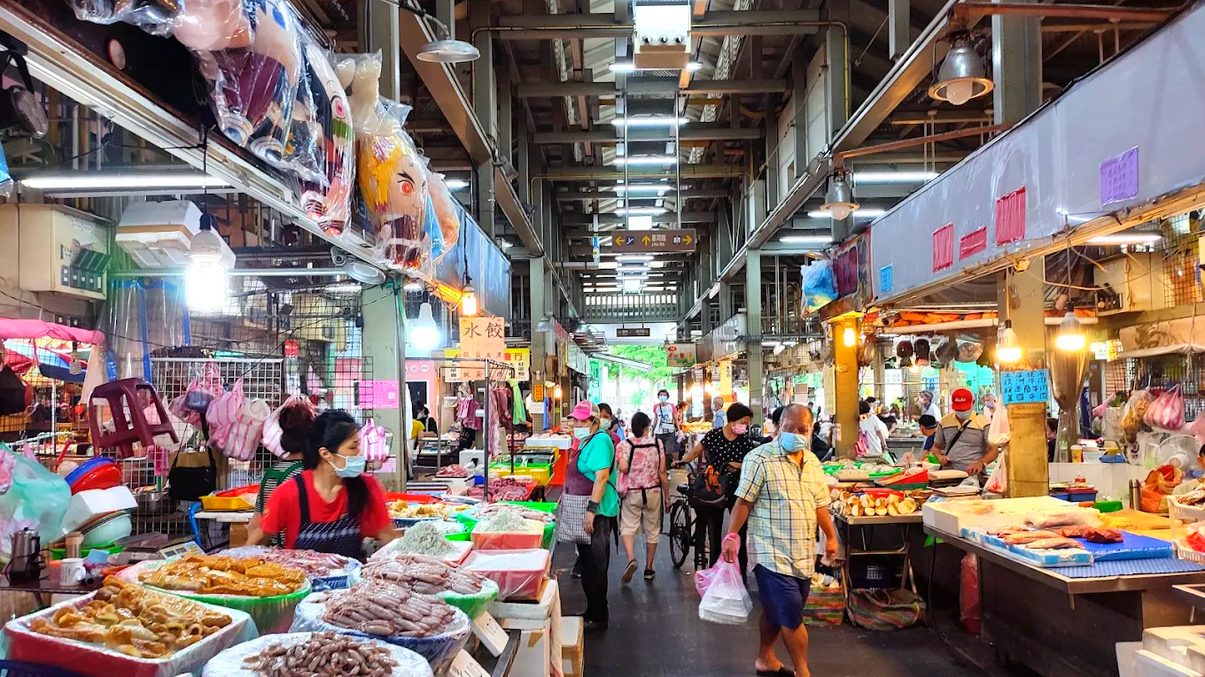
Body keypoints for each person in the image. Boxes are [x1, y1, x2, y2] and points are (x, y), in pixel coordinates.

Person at [721, 404, 838, 677]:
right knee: (791, 613)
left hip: (803, 551)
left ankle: (765, 658)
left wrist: (831, 537)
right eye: (790, 428)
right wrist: (731, 535)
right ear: (777, 426)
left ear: (810, 430)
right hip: (769, 550)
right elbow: (744, 501)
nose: (796, 434)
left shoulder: (812, 462)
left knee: (777, 609)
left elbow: (820, 504)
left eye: (802, 429)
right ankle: (803, 671)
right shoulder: (759, 458)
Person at [249, 410, 398, 558]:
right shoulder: (290, 492)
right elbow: (257, 541)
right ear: (325, 454)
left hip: (353, 580)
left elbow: (388, 538)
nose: (359, 454)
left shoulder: (366, 487)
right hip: (302, 579)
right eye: (353, 448)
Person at [683, 402, 757, 576]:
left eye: (746, 423)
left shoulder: (744, 441)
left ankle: (740, 574)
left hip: (737, 490)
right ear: (732, 421)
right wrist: (683, 460)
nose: (745, 427)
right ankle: (715, 572)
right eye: (743, 422)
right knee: (714, 532)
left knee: (739, 531)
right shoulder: (714, 435)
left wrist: (737, 465)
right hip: (714, 487)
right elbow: (696, 451)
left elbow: (752, 461)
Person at [565, 401, 618, 632]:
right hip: (584, 509)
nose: (576, 423)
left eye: (582, 420)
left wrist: (591, 509)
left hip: (596, 513)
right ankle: (591, 610)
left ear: (594, 422)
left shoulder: (601, 441)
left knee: (596, 565)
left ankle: (599, 616)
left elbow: (602, 477)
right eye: (574, 419)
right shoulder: (587, 440)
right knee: (588, 564)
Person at [250, 403, 316, 547]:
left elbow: (256, 522)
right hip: (297, 554)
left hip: (271, 553)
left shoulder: (272, 472)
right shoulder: (302, 474)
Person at [616, 412, 668, 583]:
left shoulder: (624, 445)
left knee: (628, 526)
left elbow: (623, 467)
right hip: (653, 491)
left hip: (632, 492)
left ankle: (631, 559)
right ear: (648, 427)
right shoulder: (657, 443)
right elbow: (662, 473)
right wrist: (667, 497)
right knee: (653, 530)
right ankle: (649, 568)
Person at [932, 388, 997, 476]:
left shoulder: (984, 423)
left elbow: (994, 449)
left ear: (973, 403)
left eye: (964, 409)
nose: (962, 412)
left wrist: (982, 463)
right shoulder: (944, 422)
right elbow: (936, 448)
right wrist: (940, 457)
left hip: (974, 474)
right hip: (948, 473)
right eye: (959, 409)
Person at [652, 389, 680, 461]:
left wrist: (679, 430)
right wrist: (652, 431)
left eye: (664, 395)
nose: (662, 396)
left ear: (667, 396)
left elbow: (675, 418)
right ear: (658, 396)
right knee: (660, 451)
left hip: (670, 432)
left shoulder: (671, 406)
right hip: (659, 432)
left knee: (668, 451)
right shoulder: (656, 406)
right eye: (661, 395)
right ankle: (661, 467)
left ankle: (668, 468)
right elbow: (656, 419)